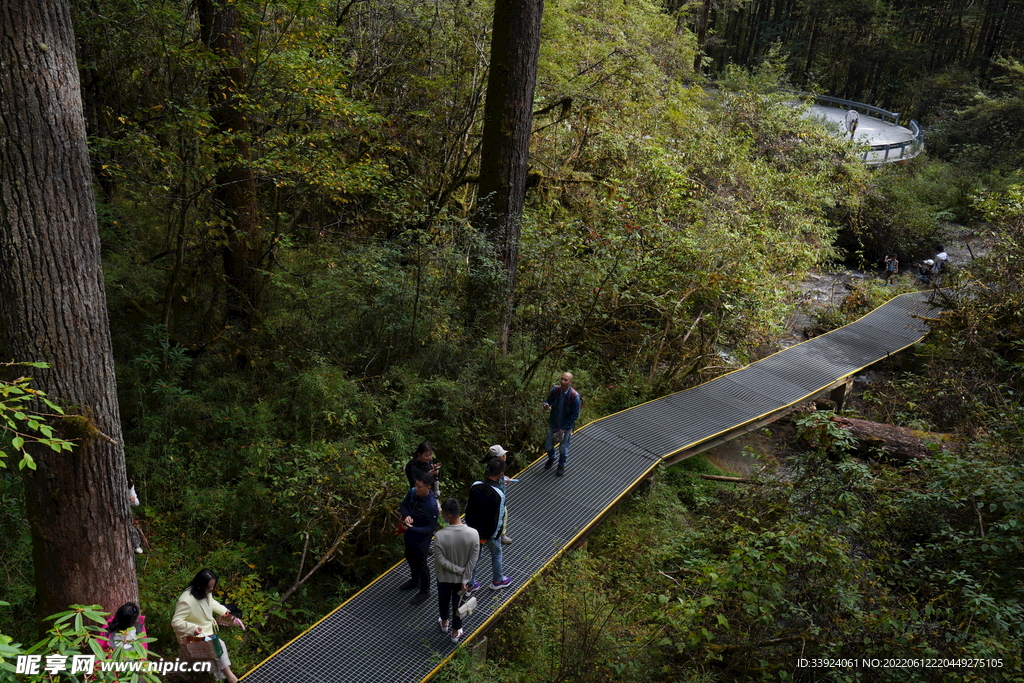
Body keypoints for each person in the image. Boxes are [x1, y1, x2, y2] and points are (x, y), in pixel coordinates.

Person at [171, 569, 246, 683]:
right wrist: (193, 629)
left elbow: (212, 602)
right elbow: (176, 622)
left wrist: (224, 611)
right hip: (192, 636)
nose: (211, 590)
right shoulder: (186, 601)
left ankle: (184, 672)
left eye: (213, 586)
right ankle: (231, 678)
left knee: (215, 645)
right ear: (200, 585)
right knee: (218, 644)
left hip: (205, 632)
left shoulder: (205, 592)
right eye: (209, 587)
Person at [433, 498, 479, 645]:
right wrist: (465, 577)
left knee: (443, 600)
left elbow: (441, 561)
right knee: (459, 605)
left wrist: (457, 570)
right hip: (462, 582)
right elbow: (473, 560)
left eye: (442, 513)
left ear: (449, 516)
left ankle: (444, 623)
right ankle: (455, 632)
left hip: (444, 578)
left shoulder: (440, 536)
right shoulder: (473, 534)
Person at [464, 458, 511, 591]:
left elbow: (469, 508)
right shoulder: (498, 494)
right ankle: (497, 580)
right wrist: (496, 535)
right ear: (501, 474)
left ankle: (470, 584)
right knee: (496, 554)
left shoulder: (475, 485)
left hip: (474, 530)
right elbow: (499, 517)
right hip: (490, 533)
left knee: (474, 557)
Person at [399, 473, 438, 605]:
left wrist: (412, 528)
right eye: (416, 485)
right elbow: (403, 505)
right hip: (409, 532)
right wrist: (407, 516)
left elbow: (430, 528)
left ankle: (425, 591)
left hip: (422, 539)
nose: (416, 488)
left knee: (421, 563)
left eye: (419, 486)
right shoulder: (412, 493)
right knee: (409, 556)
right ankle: (415, 580)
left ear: (428, 487)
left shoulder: (431, 506)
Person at [542, 372, 582, 476]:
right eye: (562, 379)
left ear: (570, 382)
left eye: (566, 380)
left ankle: (561, 465)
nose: (563, 382)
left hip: (565, 426)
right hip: (553, 422)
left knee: (563, 448)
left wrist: (564, 429)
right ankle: (552, 457)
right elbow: (548, 400)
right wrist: (546, 405)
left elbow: (575, 414)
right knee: (548, 445)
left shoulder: (574, 396)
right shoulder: (555, 390)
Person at [481, 444, 514, 544]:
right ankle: (501, 535)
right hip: (496, 496)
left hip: (495, 495)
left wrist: (504, 479)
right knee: (503, 514)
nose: (504, 457)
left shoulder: (495, 467)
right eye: (501, 455)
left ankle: (488, 533)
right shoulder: (492, 469)